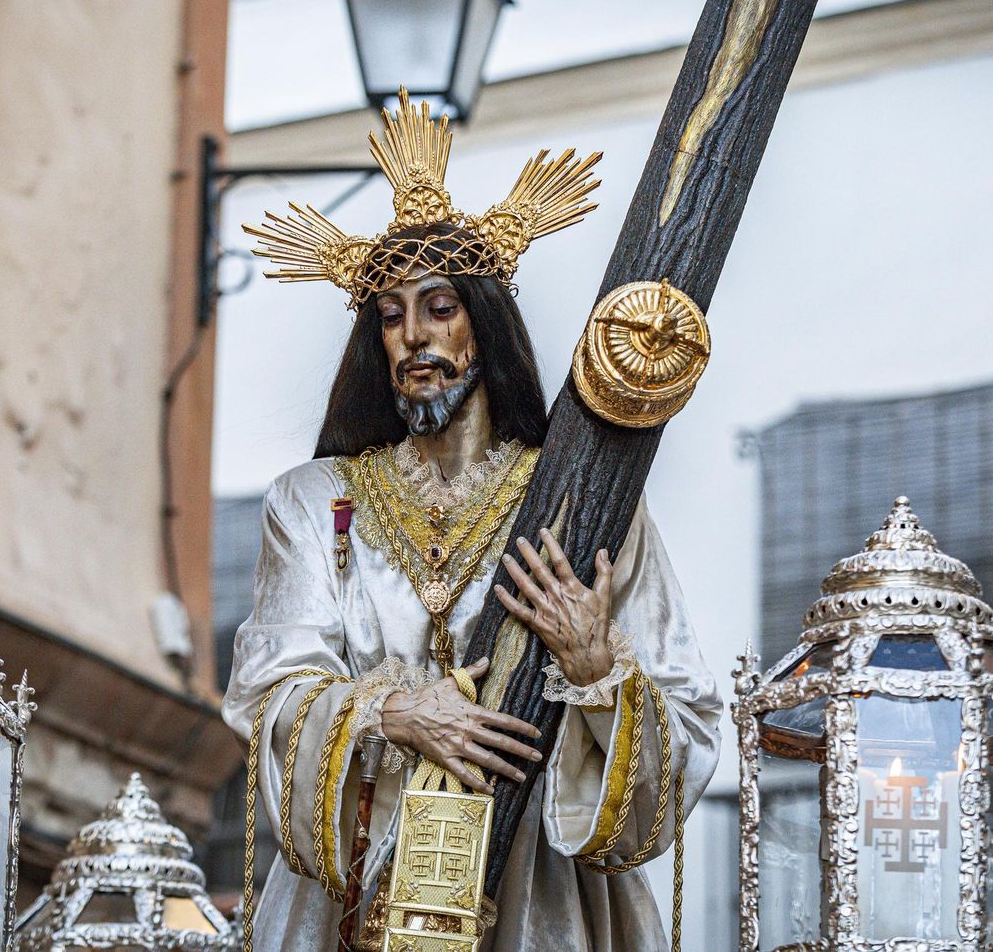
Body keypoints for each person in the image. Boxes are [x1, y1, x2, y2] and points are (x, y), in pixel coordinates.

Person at [222, 91, 721, 952]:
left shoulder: (587, 505)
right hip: (365, 882)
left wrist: (596, 668)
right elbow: (270, 695)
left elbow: (691, 715)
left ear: (483, 329)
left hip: (535, 878)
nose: (414, 336)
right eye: (390, 317)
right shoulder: (313, 501)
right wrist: (394, 714)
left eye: (440, 308)